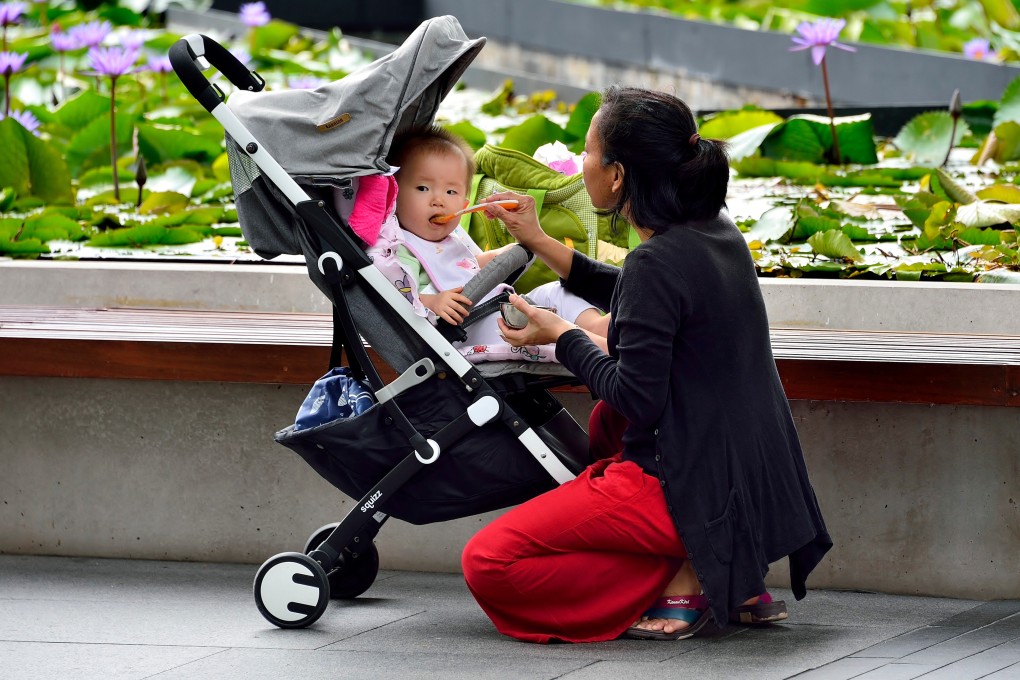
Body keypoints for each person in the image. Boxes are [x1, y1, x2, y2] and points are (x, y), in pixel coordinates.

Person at [460, 86, 832, 643]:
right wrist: (538, 241)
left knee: (488, 562)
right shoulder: (715, 232)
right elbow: (639, 294)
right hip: (742, 472)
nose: (581, 161)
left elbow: (637, 395)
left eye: (588, 152)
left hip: (688, 481)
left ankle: (698, 569)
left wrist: (561, 334)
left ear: (616, 176)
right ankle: (728, 570)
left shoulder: (656, 262)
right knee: (605, 426)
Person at [387, 126, 609, 363]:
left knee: (555, 292)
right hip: (480, 332)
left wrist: (507, 252)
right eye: (423, 188)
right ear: (394, 193)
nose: (439, 201)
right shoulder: (398, 247)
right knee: (551, 327)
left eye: (451, 191)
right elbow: (392, 297)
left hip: (501, 308)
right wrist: (431, 302)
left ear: (464, 202)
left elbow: (471, 266)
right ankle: (607, 350)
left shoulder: (454, 237)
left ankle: (601, 327)